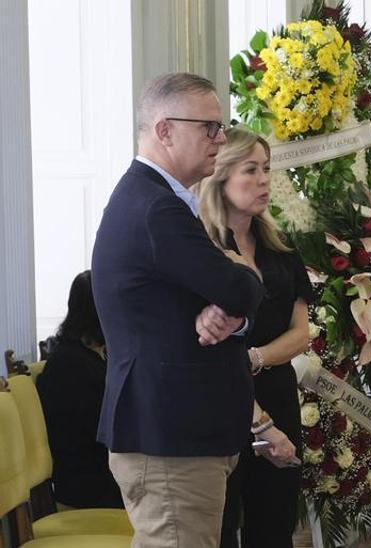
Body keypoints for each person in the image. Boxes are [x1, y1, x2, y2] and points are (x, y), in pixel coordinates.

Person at [91, 72, 292, 548]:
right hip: (170, 434)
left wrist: (232, 307)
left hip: (181, 430)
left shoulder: (164, 200)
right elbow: (242, 287)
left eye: (222, 127)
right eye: (209, 128)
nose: (220, 140)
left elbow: (233, 296)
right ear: (164, 130)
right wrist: (236, 285)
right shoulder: (154, 206)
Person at [202, 129, 313, 548]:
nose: (264, 180)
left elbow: (300, 334)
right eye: (251, 170)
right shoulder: (205, 250)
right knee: (221, 523)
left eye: (267, 169)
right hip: (222, 404)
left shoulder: (281, 250)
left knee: (274, 523)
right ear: (221, 177)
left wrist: (255, 357)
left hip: (277, 394)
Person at [35, 271, 123, 509]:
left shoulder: (81, 356)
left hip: (97, 474)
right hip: (89, 487)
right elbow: (106, 432)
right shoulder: (72, 367)